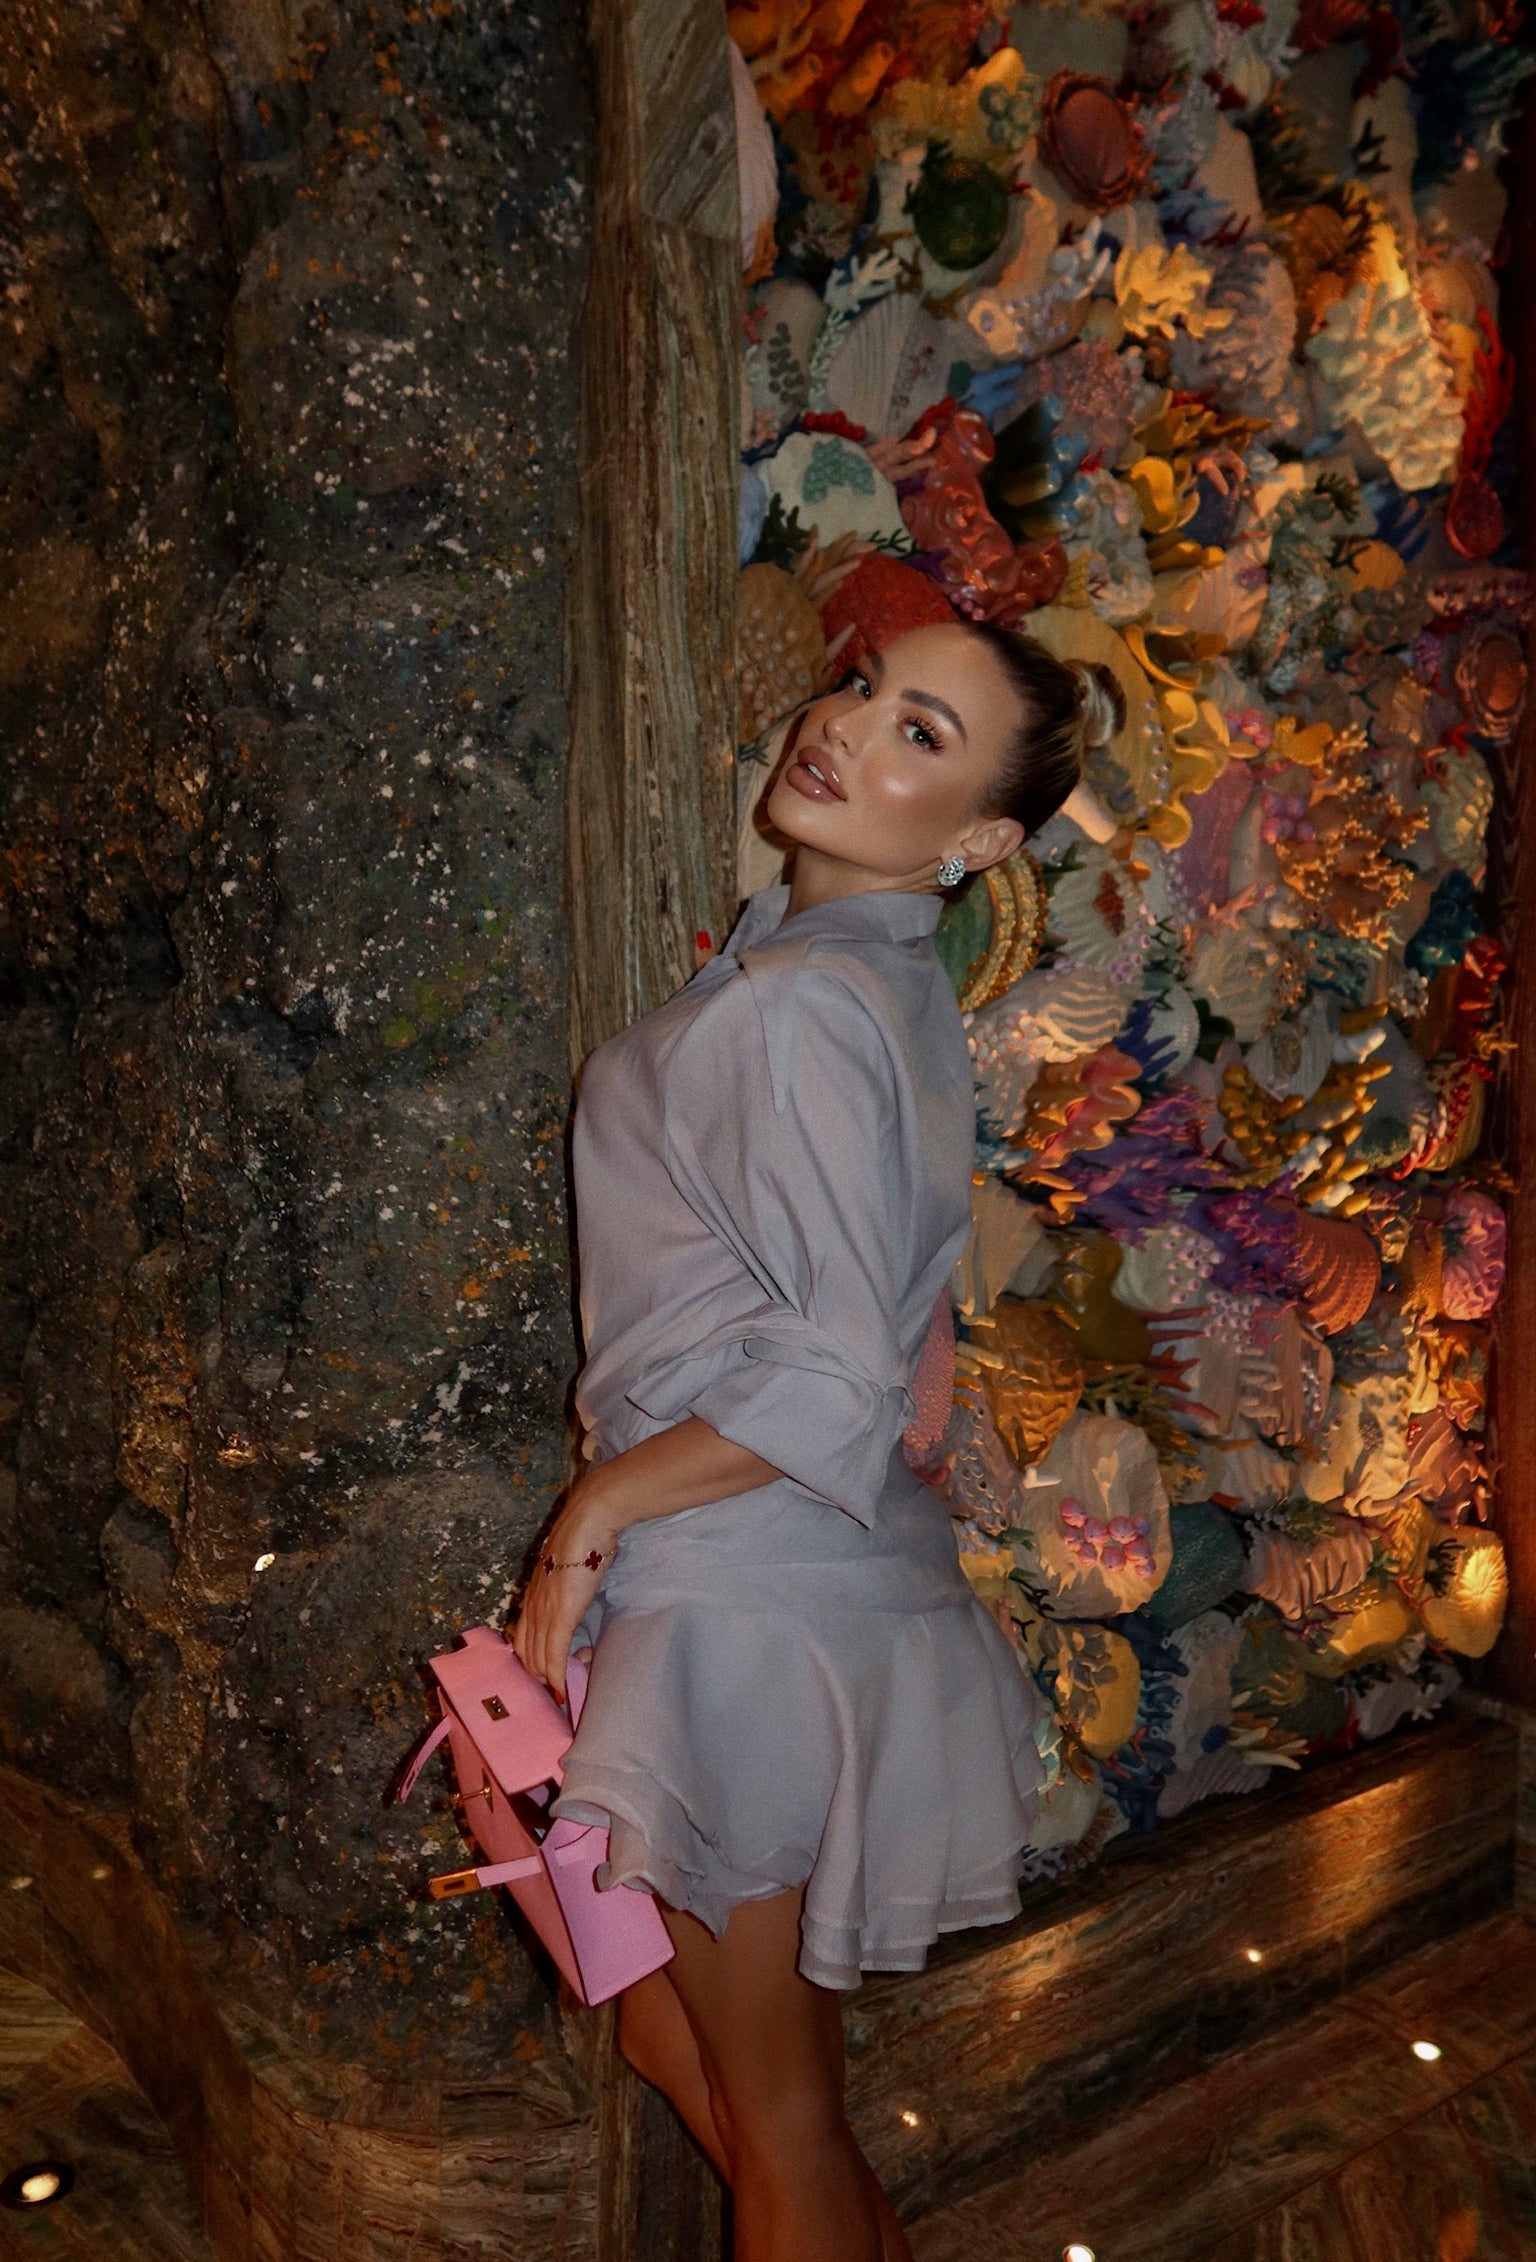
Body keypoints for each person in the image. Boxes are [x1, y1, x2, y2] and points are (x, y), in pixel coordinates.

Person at [511, 619, 1120, 2262]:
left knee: (773, 2118)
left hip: (745, 1603)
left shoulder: (805, 1005)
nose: (844, 726)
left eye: (920, 731)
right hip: (778, 1582)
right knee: (692, 2053)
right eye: (862, 684)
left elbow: (840, 1375)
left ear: (980, 839)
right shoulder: (866, 984)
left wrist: (594, 1508)